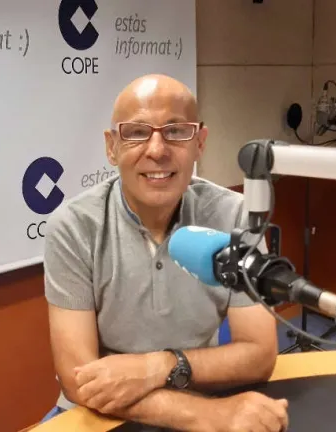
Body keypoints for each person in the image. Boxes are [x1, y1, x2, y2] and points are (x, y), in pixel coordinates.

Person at [42, 73, 289, 432]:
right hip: (102, 413)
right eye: (136, 132)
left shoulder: (234, 216)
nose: (157, 150)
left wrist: (157, 367)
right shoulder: (73, 226)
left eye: (176, 131)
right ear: (112, 147)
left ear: (200, 143)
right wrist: (207, 416)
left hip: (193, 388)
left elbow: (260, 353)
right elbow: (78, 379)